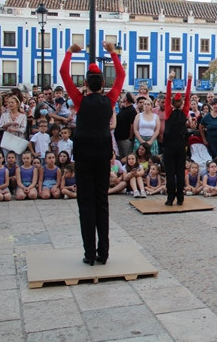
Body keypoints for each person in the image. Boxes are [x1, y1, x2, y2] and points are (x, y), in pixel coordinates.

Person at [60, 41, 124, 266]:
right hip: (103, 152)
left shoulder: (79, 100)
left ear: (85, 83)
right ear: (103, 84)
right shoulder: (110, 99)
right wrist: (113, 53)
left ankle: (89, 253)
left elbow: (63, 73)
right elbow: (122, 75)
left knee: (85, 202)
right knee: (102, 201)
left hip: (84, 154)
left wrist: (70, 53)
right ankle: (103, 253)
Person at [163, 71, 192, 205]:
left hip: (169, 146)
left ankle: (170, 199)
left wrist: (170, 80)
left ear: (173, 103)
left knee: (170, 173)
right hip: (180, 145)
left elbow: (167, 96)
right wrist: (189, 80)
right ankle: (180, 198)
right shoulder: (185, 112)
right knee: (180, 172)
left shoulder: (168, 112)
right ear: (181, 103)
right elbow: (188, 97)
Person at [115, 92, 137, 160]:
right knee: (119, 157)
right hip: (119, 137)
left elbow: (132, 125)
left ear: (126, 99)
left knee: (127, 157)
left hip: (126, 139)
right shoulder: (123, 109)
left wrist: (130, 137)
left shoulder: (132, 110)